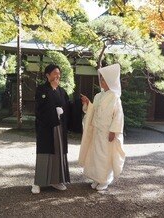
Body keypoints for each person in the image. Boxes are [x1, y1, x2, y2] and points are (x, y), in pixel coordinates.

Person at [79, 63, 125, 191]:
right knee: (95, 155)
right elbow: (93, 110)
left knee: (105, 156)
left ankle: (104, 180)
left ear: (110, 81)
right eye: (101, 79)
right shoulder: (98, 96)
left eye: (104, 79)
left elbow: (118, 115)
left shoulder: (115, 97)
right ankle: (96, 178)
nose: (101, 82)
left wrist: (113, 131)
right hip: (97, 130)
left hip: (107, 131)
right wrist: (88, 103)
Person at [31, 64, 70, 194]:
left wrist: (85, 105)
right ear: (47, 75)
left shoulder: (62, 91)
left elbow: (68, 107)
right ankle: (38, 182)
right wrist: (53, 110)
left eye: (58, 73)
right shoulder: (41, 89)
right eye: (54, 73)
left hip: (59, 128)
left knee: (58, 153)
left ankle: (56, 180)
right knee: (44, 154)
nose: (57, 76)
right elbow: (39, 108)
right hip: (46, 128)